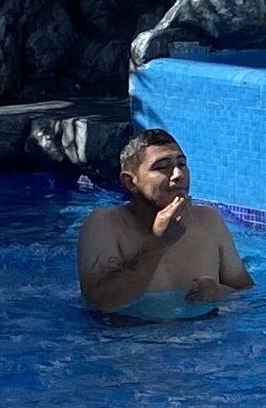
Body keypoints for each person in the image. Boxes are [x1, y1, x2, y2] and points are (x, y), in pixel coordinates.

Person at [77, 127, 253, 319]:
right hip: (130, 341)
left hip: (202, 337)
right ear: (130, 182)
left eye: (182, 164)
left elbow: (248, 293)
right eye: (162, 167)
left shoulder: (208, 221)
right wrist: (158, 243)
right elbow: (100, 302)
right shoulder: (105, 224)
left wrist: (220, 293)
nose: (178, 174)